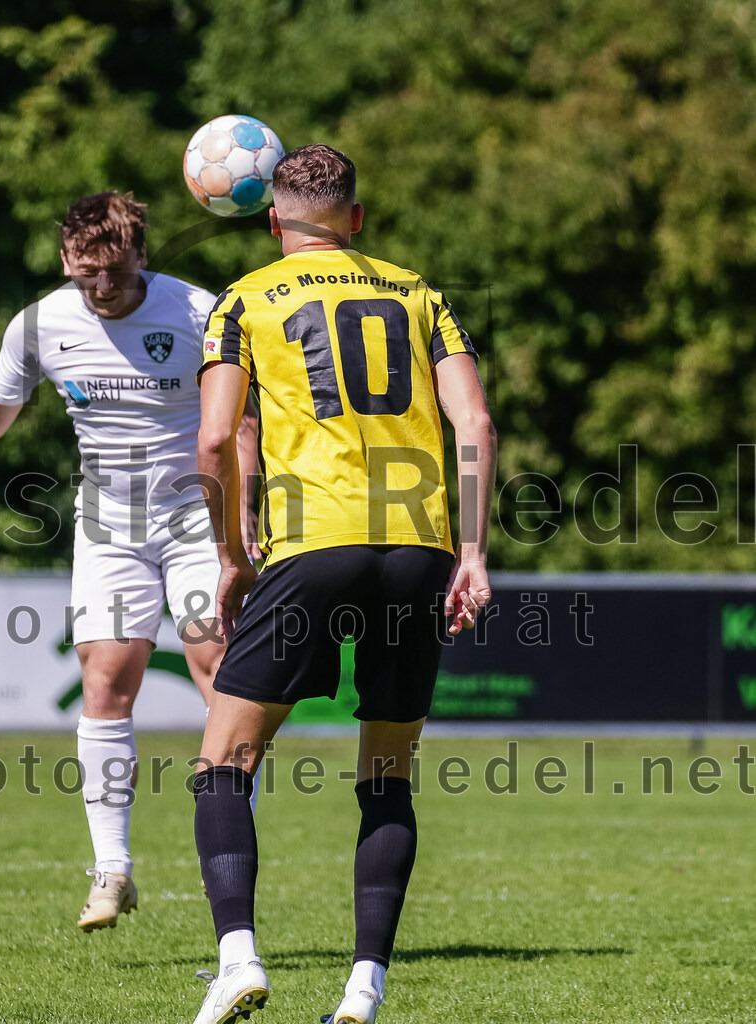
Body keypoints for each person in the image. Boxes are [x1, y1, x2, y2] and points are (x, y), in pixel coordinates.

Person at [0, 191, 258, 934]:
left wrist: (240, 527)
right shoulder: (39, 324)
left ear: (143, 257)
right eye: (87, 272)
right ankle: (112, 870)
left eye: (116, 272)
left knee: (215, 662)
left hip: (198, 516)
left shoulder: (200, 313)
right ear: (66, 260)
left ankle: (224, 847)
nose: (102, 287)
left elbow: (244, 422)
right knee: (105, 676)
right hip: (111, 524)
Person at [189, 146, 496, 1024]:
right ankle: (365, 988)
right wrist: (470, 551)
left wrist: (231, 553)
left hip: (313, 545)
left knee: (223, 763)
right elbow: (471, 417)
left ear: (271, 220)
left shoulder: (243, 301)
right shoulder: (418, 293)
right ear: (356, 219)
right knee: (388, 775)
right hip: (418, 548)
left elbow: (215, 442)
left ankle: (238, 960)